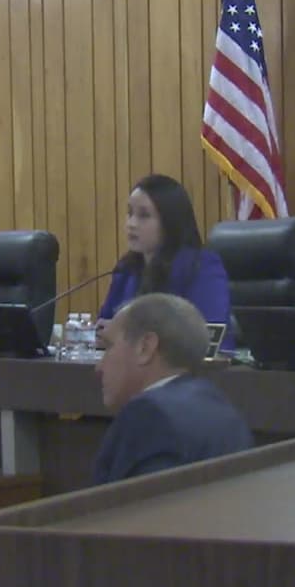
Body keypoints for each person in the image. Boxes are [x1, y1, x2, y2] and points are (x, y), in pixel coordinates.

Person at [92, 293, 253, 485]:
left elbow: (140, 504)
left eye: (108, 347)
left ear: (145, 347)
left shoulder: (149, 415)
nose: (99, 367)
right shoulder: (223, 409)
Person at [98, 174, 233, 348]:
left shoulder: (201, 267)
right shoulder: (127, 269)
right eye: (130, 213)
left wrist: (126, 336)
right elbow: (105, 325)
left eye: (144, 215)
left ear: (170, 221)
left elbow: (208, 336)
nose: (131, 223)